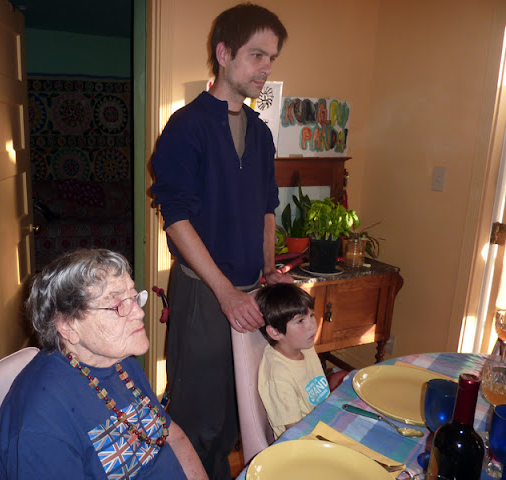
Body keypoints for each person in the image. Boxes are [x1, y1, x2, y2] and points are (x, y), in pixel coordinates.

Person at [150, 3, 290, 478]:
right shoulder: (186, 126)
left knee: (238, 415)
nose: (266, 68)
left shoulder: (261, 133)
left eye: (271, 58)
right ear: (224, 53)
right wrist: (225, 292)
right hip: (204, 297)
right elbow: (175, 218)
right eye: (257, 55)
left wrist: (268, 271)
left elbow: (267, 208)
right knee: (197, 422)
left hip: (251, 295)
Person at [0, 249, 208, 480]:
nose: (138, 312)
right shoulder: (41, 421)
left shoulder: (119, 361)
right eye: (117, 305)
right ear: (67, 325)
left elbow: (173, 436)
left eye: (134, 296)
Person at [254, 283, 330, 439]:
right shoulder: (278, 377)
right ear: (275, 332)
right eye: (300, 321)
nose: (312, 326)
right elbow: (296, 433)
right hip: (305, 440)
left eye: (311, 315)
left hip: (323, 421)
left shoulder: (304, 346)